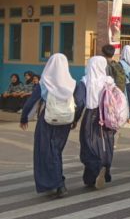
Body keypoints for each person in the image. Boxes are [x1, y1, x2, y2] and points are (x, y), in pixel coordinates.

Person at [19, 54, 76, 197]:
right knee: (56, 151)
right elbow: (78, 102)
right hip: (65, 122)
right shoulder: (71, 83)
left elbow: (31, 101)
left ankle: (58, 184)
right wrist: (74, 119)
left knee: (46, 152)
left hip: (48, 120)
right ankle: (57, 182)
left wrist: (24, 118)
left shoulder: (45, 83)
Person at [73, 56, 119, 189]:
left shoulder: (86, 81)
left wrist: (75, 119)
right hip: (107, 116)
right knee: (106, 144)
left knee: (89, 145)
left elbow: (79, 102)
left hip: (91, 116)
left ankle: (94, 171)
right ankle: (102, 169)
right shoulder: (109, 81)